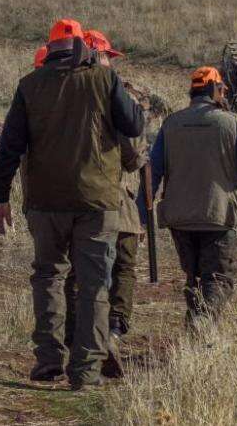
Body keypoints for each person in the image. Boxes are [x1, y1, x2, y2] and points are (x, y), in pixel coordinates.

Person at [0, 19, 144, 390]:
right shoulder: (103, 80)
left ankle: (48, 359)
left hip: (44, 202)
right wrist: (108, 77)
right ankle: (86, 371)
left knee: (48, 276)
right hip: (97, 202)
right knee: (94, 285)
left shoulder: (29, 86)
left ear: (50, 48)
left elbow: (10, 146)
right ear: (82, 47)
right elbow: (134, 124)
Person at [143, 66, 237, 327]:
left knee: (194, 278)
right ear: (214, 89)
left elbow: (152, 173)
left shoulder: (171, 123)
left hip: (180, 219)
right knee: (217, 279)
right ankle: (203, 322)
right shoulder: (233, 123)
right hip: (218, 216)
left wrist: (141, 214)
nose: (224, 92)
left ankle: (198, 336)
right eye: (222, 88)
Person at [63, 30, 147, 378]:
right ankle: (110, 333)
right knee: (121, 271)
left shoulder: (65, 92)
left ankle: (76, 339)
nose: (111, 61)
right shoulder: (116, 94)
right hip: (117, 204)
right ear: (99, 56)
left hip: (74, 199)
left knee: (79, 274)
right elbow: (132, 157)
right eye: (108, 55)